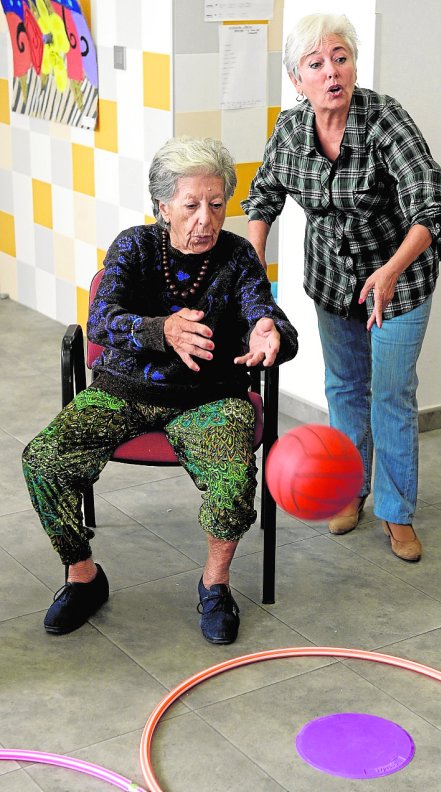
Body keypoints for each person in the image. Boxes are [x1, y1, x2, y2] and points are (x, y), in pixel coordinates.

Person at [22, 136, 298, 644]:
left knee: (234, 481)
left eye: (216, 204)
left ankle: (215, 586)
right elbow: (101, 320)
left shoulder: (237, 256)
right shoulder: (134, 245)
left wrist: (269, 330)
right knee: (42, 460)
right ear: (163, 206)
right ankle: (83, 576)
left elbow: (267, 313)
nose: (205, 219)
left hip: (210, 398)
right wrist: (162, 330)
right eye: (191, 205)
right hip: (124, 389)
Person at [242, 13, 441, 562]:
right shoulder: (292, 132)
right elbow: (263, 195)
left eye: (340, 58)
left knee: (390, 392)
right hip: (333, 282)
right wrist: (254, 261)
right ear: (298, 80)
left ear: (354, 65)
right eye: (316, 64)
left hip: (399, 282)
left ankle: (396, 512)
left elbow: (434, 206)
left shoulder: (384, 120)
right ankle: (350, 490)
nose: (331, 72)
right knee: (343, 387)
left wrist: (390, 270)